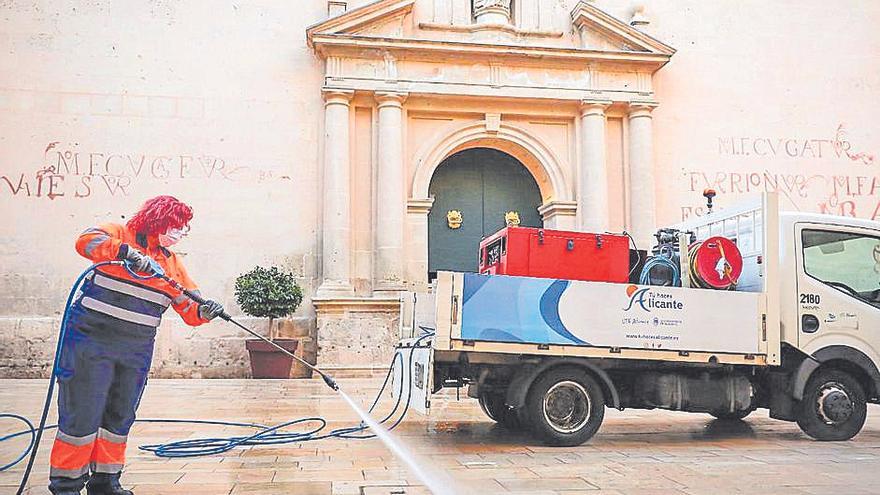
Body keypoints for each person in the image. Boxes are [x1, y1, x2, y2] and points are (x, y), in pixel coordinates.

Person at [48, 195, 224, 495]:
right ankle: (66, 485)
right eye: (177, 227)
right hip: (90, 343)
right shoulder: (118, 233)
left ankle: (105, 482)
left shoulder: (171, 264)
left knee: (119, 415)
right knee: (83, 412)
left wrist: (205, 311)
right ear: (157, 220)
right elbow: (86, 241)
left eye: (184, 229)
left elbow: (189, 307)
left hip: (135, 350)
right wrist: (125, 252)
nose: (180, 234)